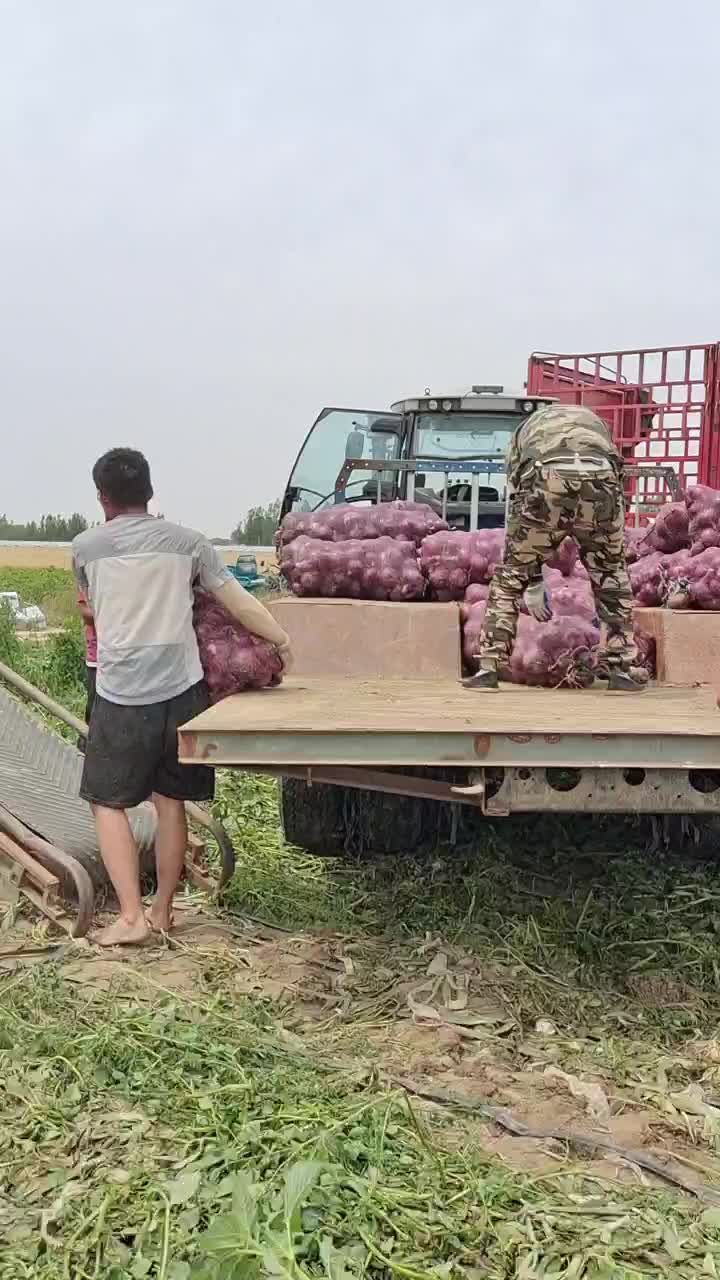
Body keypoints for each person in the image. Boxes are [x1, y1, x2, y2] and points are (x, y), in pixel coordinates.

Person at [73, 447, 292, 946]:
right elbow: (236, 601)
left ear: (103, 499)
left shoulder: (86, 547)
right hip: (182, 690)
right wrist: (280, 640)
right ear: (150, 493)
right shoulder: (189, 543)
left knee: (106, 801)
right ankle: (163, 911)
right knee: (170, 801)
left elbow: (94, 611)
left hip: (121, 692)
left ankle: (129, 917)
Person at [463, 403, 647, 693]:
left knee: (509, 578)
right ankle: (620, 670)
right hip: (601, 478)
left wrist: (533, 580)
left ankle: (488, 667)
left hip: (546, 476)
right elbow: (617, 469)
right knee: (612, 577)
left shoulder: (525, 433)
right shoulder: (594, 424)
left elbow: (517, 493)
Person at [76, 589, 97, 752]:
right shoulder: (88, 577)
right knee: (94, 705)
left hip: (123, 655)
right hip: (97, 658)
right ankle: (86, 745)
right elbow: (87, 615)